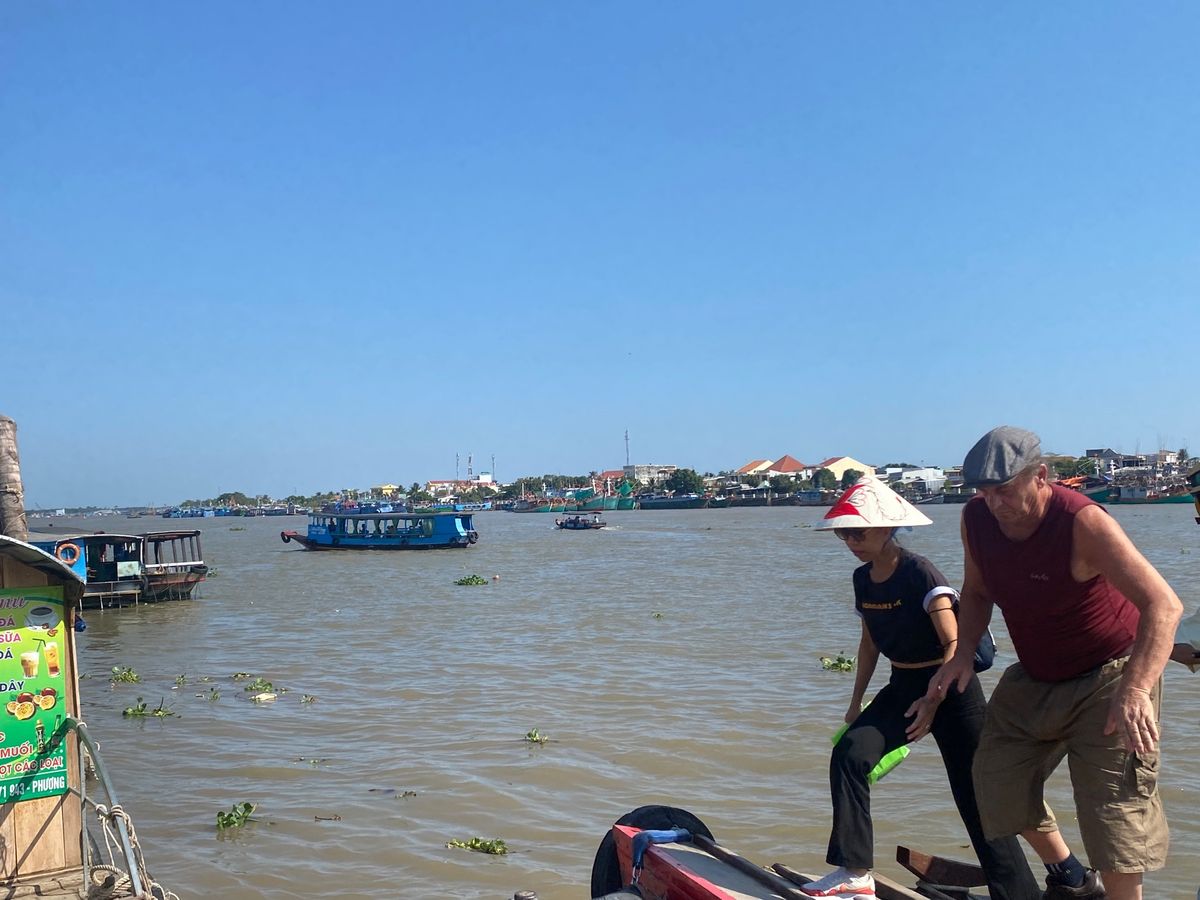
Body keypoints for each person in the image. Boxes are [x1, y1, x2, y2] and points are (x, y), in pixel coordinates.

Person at [920, 426, 1182, 900]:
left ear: (1040, 476)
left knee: (1115, 819)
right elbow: (977, 591)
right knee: (995, 783)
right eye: (982, 490)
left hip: (1111, 676)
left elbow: (1164, 606)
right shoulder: (975, 519)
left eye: (1004, 489)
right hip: (1038, 674)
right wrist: (960, 656)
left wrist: (1138, 689)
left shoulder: (1083, 522)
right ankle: (1073, 878)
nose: (993, 501)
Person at [800, 475, 1039, 900]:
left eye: (859, 531)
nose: (851, 540)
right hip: (904, 683)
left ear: (888, 528)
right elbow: (870, 642)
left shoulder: (919, 572)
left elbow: (954, 644)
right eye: (844, 532)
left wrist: (933, 702)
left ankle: (1018, 893)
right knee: (850, 755)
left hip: (953, 686)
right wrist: (855, 703)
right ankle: (855, 872)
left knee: (976, 796)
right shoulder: (862, 579)